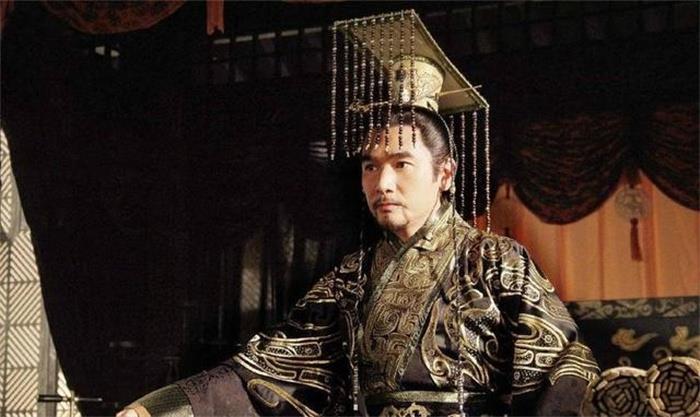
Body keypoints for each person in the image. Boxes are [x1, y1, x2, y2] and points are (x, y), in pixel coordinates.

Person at [119, 10, 599, 417]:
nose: (381, 183)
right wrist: (157, 409)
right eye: (370, 166)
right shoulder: (352, 278)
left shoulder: (497, 261)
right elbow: (267, 369)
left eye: (401, 164)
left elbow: (565, 364)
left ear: (445, 173)